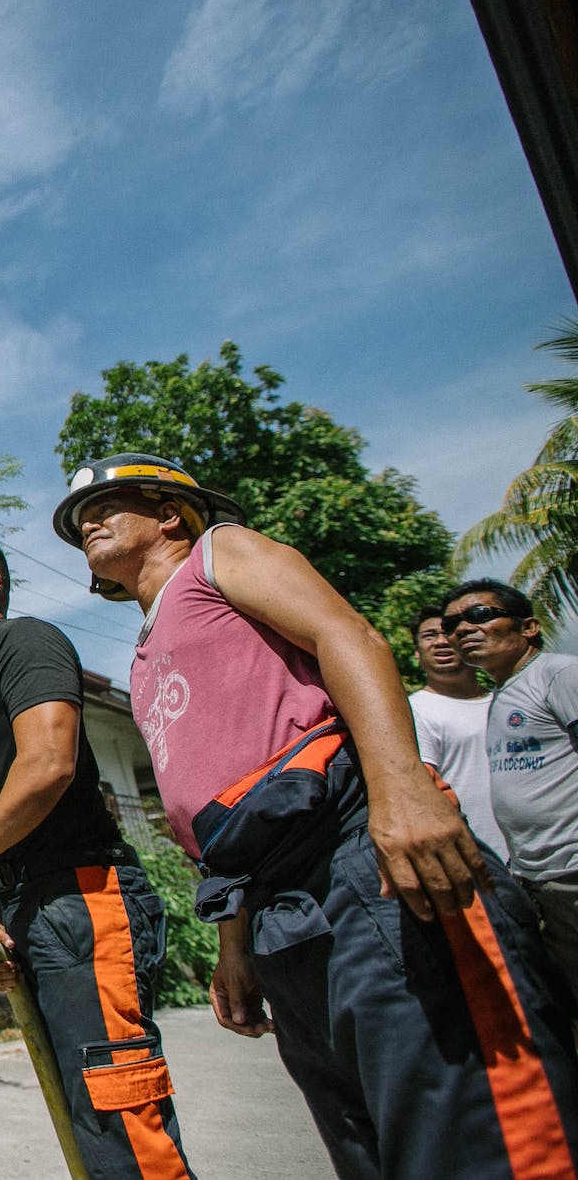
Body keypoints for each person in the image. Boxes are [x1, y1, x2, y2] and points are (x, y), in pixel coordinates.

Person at [56, 451, 578, 1179]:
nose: (90, 524)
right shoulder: (144, 654)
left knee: (470, 1127)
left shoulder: (218, 553)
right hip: (274, 905)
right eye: (81, 520)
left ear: (170, 511)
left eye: (107, 507)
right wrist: (233, 944)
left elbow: (348, 634)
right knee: (362, 1134)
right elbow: (215, 805)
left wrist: (401, 789)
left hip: (358, 855)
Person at [0, 536, 194, 1180]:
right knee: (81, 1115)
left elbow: (48, 766)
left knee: (119, 1110)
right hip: (23, 906)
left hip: (83, 895)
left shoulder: (25, 642)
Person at [444, 577, 578, 1001]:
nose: (463, 629)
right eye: (452, 625)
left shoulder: (557, 674)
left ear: (528, 627)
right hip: (540, 879)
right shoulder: (501, 694)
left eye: (479, 615)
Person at [408, 606, 505, 855]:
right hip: (476, 859)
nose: (441, 641)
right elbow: (420, 793)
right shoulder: (410, 711)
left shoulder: (509, 701)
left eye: (448, 633)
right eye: (429, 636)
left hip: (545, 859)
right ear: (417, 653)